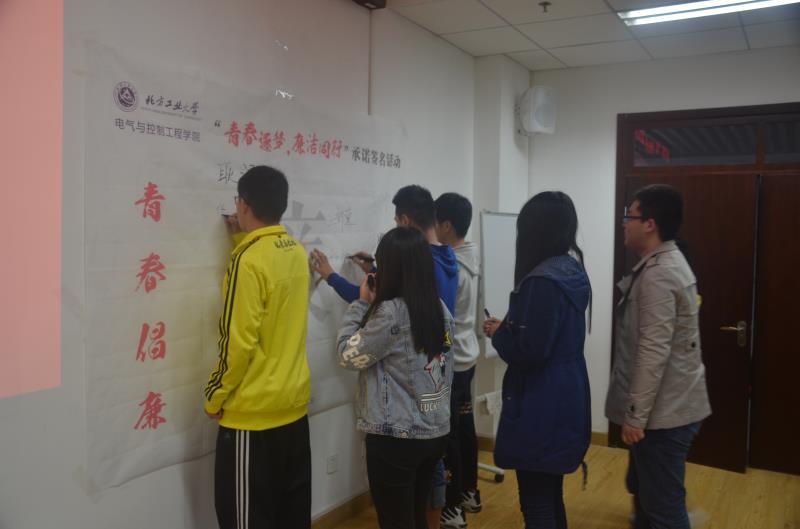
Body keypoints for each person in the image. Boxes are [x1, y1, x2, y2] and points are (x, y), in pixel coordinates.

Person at [311, 185, 459, 527]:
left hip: (397, 439)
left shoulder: (392, 313)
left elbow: (347, 355)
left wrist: (361, 303)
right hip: (434, 432)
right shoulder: (437, 307)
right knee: (416, 517)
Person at [203, 166, 312, 529]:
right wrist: (241, 238)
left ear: (244, 205)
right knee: (289, 517)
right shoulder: (295, 250)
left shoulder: (246, 261)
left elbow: (238, 343)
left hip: (253, 419)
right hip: (293, 413)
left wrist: (214, 396)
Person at [484, 191, 592, 529]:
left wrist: (500, 334)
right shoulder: (570, 270)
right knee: (548, 491)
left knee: (536, 500)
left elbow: (529, 353)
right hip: (566, 391)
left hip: (540, 400)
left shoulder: (541, 281)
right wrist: (510, 328)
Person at [606, 184, 711, 529]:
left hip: (664, 416)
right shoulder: (665, 263)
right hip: (667, 408)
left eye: (630, 215)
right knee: (647, 496)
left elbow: (653, 349)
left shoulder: (660, 273)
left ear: (649, 223)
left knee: (663, 509)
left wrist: (635, 416)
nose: (624, 222)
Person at [434, 193, 482, 528]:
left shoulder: (452, 266)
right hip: (469, 355)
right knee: (464, 427)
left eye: (435, 222)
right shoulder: (472, 256)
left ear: (447, 225)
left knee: (449, 434)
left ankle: (451, 507)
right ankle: (469, 491)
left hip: (453, 360)